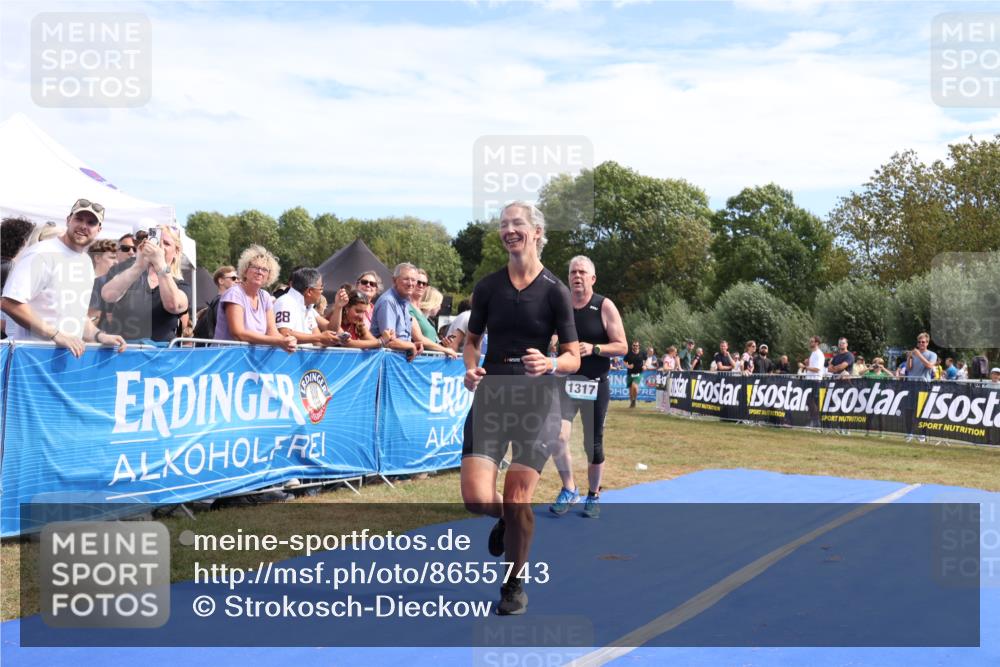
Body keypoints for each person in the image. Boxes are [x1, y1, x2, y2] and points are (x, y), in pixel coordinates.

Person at [460, 201, 579, 616]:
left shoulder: (555, 291)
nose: (509, 230)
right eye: (503, 224)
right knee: (476, 499)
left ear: (537, 232)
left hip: (537, 402)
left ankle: (513, 584)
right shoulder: (488, 287)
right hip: (491, 397)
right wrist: (472, 369)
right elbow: (472, 342)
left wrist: (549, 363)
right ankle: (508, 521)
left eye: (518, 224)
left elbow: (572, 357)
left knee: (517, 498)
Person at [548, 256, 627, 520]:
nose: (577, 276)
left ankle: (593, 494)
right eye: (573, 272)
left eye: (582, 272)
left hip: (594, 385)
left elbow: (622, 346)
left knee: (592, 445)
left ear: (592, 278)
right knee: (557, 437)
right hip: (565, 382)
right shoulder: (561, 306)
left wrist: (594, 348)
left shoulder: (604, 306)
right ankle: (569, 488)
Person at [1, 199, 126, 355]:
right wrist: (56, 335)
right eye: (79, 219)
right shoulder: (41, 253)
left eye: (91, 222)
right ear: (68, 220)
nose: (83, 226)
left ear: (98, 229)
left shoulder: (86, 261)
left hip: (66, 363)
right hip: (32, 360)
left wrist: (99, 336)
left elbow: (76, 316)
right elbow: (10, 303)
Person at [101, 224, 191, 343]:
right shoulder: (128, 273)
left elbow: (173, 305)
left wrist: (160, 265)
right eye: (157, 242)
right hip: (125, 353)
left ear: (176, 252)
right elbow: (108, 295)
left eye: (167, 244)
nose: (160, 247)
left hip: (161, 355)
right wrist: (139, 266)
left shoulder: (180, 285)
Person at [214, 244, 296, 353]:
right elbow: (238, 333)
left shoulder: (265, 297)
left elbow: (272, 331)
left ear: (269, 275)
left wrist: (286, 340)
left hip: (250, 359)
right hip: (226, 357)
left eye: (264, 270)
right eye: (255, 267)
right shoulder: (234, 293)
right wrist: (278, 341)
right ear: (245, 270)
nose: (259, 272)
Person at [274, 267, 341, 346]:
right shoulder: (285, 302)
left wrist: (338, 306)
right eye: (321, 288)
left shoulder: (308, 307)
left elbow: (318, 341)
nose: (322, 292)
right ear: (309, 291)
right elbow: (284, 334)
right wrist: (320, 337)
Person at [371, 263, 425, 360]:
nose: (410, 283)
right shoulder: (388, 301)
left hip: (397, 362)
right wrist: (411, 346)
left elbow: (401, 339)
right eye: (406, 279)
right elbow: (389, 342)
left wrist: (413, 345)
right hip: (385, 363)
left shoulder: (405, 302)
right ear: (394, 280)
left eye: (413, 280)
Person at [799, 336, 825, 428]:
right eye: (810, 341)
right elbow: (812, 367)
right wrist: (807, 364)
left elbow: (817, 369)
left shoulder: (819, 354)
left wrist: (804, 367)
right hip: (810, 379)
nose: (810, 343)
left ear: (817, 343)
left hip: (815, 380)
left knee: (812, 401)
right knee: (809, 401)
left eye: (812, 341)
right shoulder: (813, 353)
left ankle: (815, 421)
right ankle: (813, 420)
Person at [623, 340, 645, 408]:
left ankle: (634, 400)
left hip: (639, 373)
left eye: (637, 346)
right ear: (632, 346)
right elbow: (624, 361)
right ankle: (632, 402)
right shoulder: (628, 354)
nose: (635, 347)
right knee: (630, 389)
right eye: (634, 345)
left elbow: (646, 360)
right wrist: (628, 366)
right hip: (630, 373)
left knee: (634, 386)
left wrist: (645, 366)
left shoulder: (642, 353)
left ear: (639, 346)